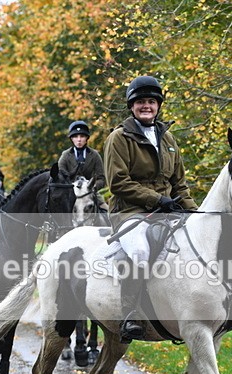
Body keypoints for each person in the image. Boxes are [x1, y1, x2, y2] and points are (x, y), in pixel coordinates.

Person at [103, 75, 198, 341]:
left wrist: (194, 213)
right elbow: (118, 183)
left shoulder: (168, 138)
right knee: (141, 249)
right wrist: (156, 200)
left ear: (158, 106)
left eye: (151, 102)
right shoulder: (119, 138)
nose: (147, 106)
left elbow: (180, 184)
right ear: (132, 106)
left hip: (167, 211)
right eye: (141, 102)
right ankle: (131, 313)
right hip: (130, 212)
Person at [58, 120, 107, 212]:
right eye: (75, 137)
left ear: (87, 138)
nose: (79, 139)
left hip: (90, 193)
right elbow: (60, 177)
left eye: (82, 136)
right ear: (71, 139)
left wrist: (92, 187)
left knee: (108, 212)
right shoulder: (65, 155)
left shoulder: (95, 155)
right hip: (71, 194)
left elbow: (101, 178)